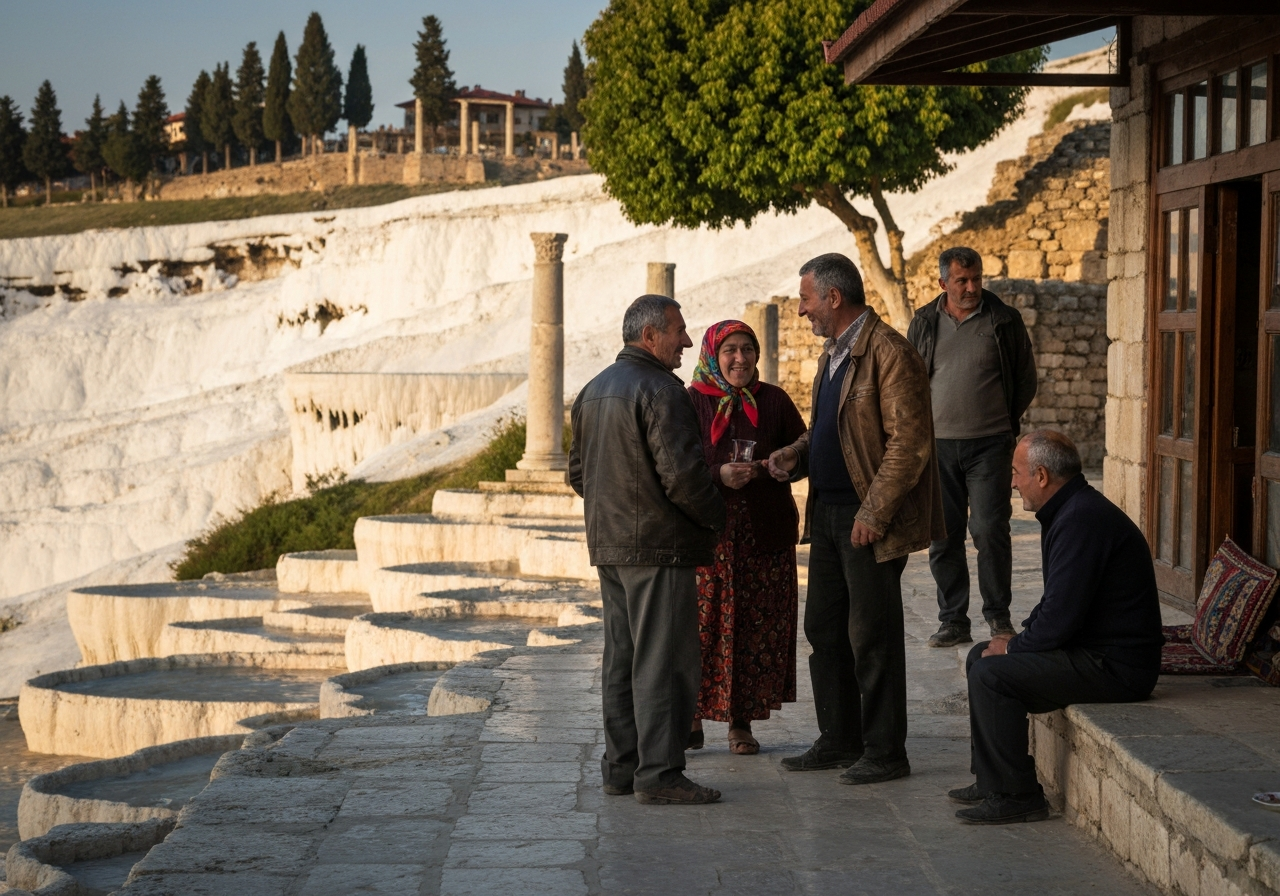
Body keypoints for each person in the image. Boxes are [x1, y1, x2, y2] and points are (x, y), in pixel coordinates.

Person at [766, 253, 944, 785]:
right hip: (827, 512)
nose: (802, 311)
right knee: (824, 627)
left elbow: (909, 445)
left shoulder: (889, 352)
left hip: (865, 517)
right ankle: (839, 739)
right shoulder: (835, 354)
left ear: (834, 297)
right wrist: (796, 454)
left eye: (806, 299)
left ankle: (886, 750)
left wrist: (875, 511)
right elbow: (832, 428)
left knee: (872, 634)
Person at [952, 430, 1163, 824]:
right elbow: (1058, 604)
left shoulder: (1081, 518)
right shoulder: (1070, 510)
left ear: (1043, 475)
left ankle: (1017, 796)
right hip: (1090, 649)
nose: (1012, 482)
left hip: (1116, 667)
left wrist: (1014, 648)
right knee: (981, 655)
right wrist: (1016, 639)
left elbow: (1062, 617)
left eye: (1017, 473)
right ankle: (990, 779)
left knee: (990, 673)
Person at [569, 294, 727, 805]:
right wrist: (716, 518)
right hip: (658, 547)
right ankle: (659, 774)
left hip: (611, 545)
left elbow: (578, 474)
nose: (686, 341)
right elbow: (681, 476)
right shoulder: (662, 389)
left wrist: (615, 506)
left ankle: (622, 768)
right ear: (650, 336)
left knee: (622, 656)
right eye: (679, 331)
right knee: (664, 661)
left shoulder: (593, 390)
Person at [686, 320, 807, 755]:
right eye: (730, 351)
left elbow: (806, 443)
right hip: (709, 539)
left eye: (747, 349)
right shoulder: (693, 402)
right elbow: (676, 464)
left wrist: (788, 459)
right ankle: (692, 716)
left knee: (754, 630)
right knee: (702, 629)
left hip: (764, 536)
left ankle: (741, 722)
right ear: (712, 357)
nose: (740, 358)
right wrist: (717, 473)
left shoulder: (772, 400)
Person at [907, 246, 1037, 649]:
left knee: (989, 530)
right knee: (942, 536)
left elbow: (1024, 380)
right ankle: (953, 621)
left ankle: (998, 618)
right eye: (961, 280)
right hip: (938, 448)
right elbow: (911, 380)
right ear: (942, 282)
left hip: (990, 447)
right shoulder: (925, 322)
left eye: (976, 278)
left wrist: (999, 423)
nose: (971, 287)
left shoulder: (1003, 319)